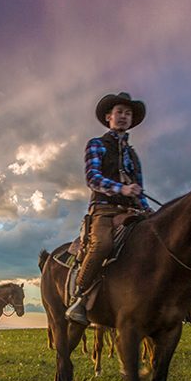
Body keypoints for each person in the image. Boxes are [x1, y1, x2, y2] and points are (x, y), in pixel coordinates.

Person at [65, 92, 150, 325]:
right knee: (102, 244)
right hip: (103, 210)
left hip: (132, 212)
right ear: (108, 117)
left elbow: (139, 189)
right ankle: (79, 299)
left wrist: (148, 211)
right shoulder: (96, 144)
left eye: (128, 113)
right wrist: (120, 190)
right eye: (119, 112)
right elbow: (92, 178)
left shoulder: (133, 155)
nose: (124, 116)